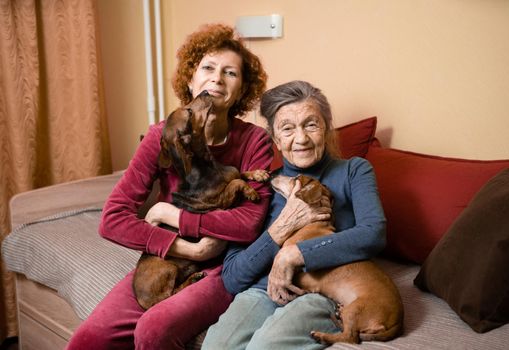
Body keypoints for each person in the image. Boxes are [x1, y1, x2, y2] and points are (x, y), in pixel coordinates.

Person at [66, 23, 272, 349]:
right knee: (87, 340)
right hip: (167, 259)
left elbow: (248, 223)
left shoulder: (255, 141)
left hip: (223, 267)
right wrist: (188, 247)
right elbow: (113, 219)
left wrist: (172, 215)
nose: (217, 78)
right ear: (190, 79)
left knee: (153, 330)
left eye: (230, 73)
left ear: (242, 89)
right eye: (208, 68)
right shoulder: (162, 135)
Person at [202, 80, 387, 350]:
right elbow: (232, 276)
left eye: (311, 124)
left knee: (265, 346)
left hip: (326, 289)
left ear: (325, 128)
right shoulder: (261, 186)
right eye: (287, 129)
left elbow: (374, 233)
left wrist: (295, 254)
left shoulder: (353, 171)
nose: (301, 138)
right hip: (263, 289)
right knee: (216, 346)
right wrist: (280, 232)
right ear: (276, 139)